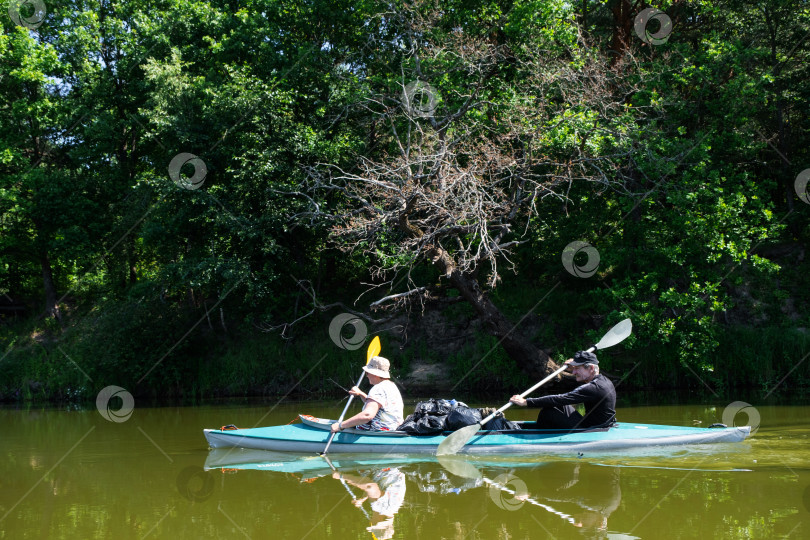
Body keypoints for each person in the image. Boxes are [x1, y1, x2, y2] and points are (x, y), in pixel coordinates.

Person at [509, 350, 616, 429]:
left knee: (549, 411)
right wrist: (574, 367)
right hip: (599, 423)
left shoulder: (593, 388)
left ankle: (537, 434)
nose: (573, 373)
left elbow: (560, 398)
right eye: (574, 369)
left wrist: (526, 402)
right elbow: (583, 380)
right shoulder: (604, 380)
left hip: (591, 428)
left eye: (577, 369)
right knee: (559, 406)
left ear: (591, 368)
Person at [330, 356, 404, 432]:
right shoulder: (391, 385)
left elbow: (367, 415)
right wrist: (361, 393)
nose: (367, 375)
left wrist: (340, 426)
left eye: (367, 372)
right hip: (393, 429)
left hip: (377, 432)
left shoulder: (378, 388)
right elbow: (375, 405)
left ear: (376, 374)